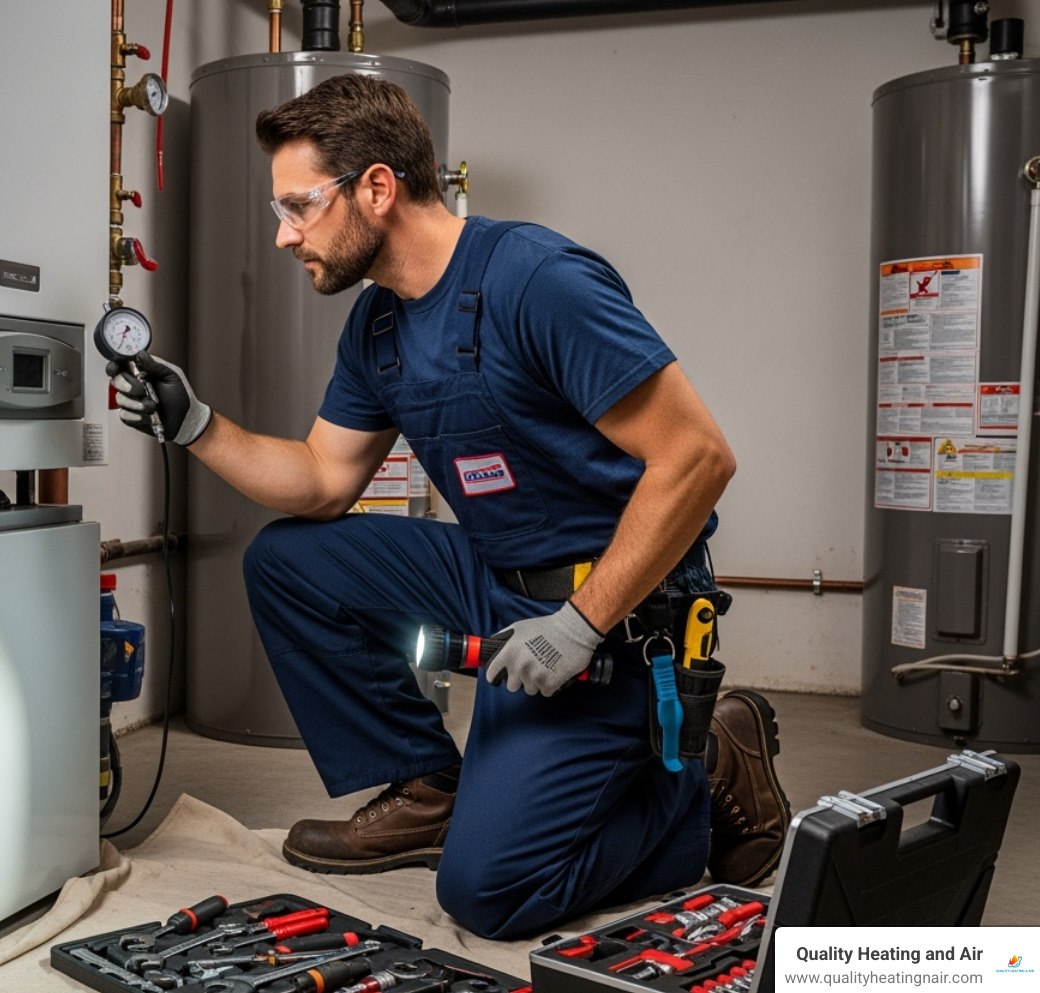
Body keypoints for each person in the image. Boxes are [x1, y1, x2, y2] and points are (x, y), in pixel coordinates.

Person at [107, 74, 789, 940]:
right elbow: (323, 478)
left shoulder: (538, 280)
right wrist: (197, 425)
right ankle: (430, 788)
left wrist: (579, 624)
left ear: (377, 189)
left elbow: (697, 457)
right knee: (288, 561)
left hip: (618, 613)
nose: (284, 235)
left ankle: (705, 770)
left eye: (299, 207)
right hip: (498, 580)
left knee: (489, 895)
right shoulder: (378, 325)